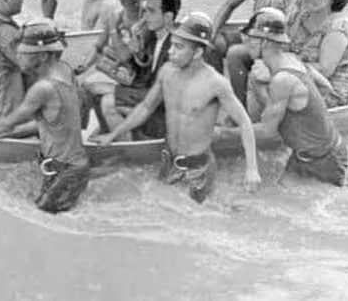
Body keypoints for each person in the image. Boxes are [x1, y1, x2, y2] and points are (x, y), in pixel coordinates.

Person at [96, 13, 261, 202]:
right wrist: (113, 134)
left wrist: (252, 169)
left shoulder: (216, 83)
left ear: (198, 52)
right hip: (169, 159)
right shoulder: (167, 71)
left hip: (198, 168)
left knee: (197, 219)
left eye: (178, 47)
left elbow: (244, 122)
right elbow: (145, 107)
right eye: (172, 44)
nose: (170, 51)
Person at [0, 20, 89, 213]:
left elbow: (8, 123)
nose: (18, 58)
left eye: (24, 53)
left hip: (66, 169)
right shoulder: (64, 70)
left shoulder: (42, 89)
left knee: (42, 217)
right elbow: (55, 122)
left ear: (43, 56)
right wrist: (11, 134)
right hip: (69, 166)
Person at [220, 7, 348, 186]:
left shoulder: (282, 80)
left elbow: (267, 130)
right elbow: (326, 87)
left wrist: (222, 134)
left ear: (264, 42)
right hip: (309, 153)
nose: (246, 41)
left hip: (323, 160)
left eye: (251, 38)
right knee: (278, 194)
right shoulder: (291, 59)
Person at [212, 0, 306, 107]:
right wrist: (212, 33)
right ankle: (218, 99)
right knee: (215, 44)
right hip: (254, 34)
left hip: (280, 44)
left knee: (235, 54)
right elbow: (229, 5)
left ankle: (240, 108)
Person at [105, 0, 182, 139]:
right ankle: (117, 138)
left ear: (168, 17)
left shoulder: (176, 46)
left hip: (163, 108)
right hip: (148, 94)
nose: (145, 17)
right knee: (96, 92)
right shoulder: (152, 38)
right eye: (145, 11)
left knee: (107, 101)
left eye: (151, 12)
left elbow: (162, 93)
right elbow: (143, 72)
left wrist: (115, 92)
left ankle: (131, 151)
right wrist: (138, 52)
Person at [75, 0, 145, 132]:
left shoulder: (145, 21)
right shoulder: (116, 16)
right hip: (112, 70)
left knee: (89, 86)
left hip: (132, 75)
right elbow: (98, 46)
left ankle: (108, 131)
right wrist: (84, 66)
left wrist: (114, 29)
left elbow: (127, 56)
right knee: (79, 86)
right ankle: (85, 129)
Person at [293, 0, 348, 108]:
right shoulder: (303, 16)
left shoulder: (336, 28)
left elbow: (325, 70)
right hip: (302, 80)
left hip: (329, 94)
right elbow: (289, 46)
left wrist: (289, 65)